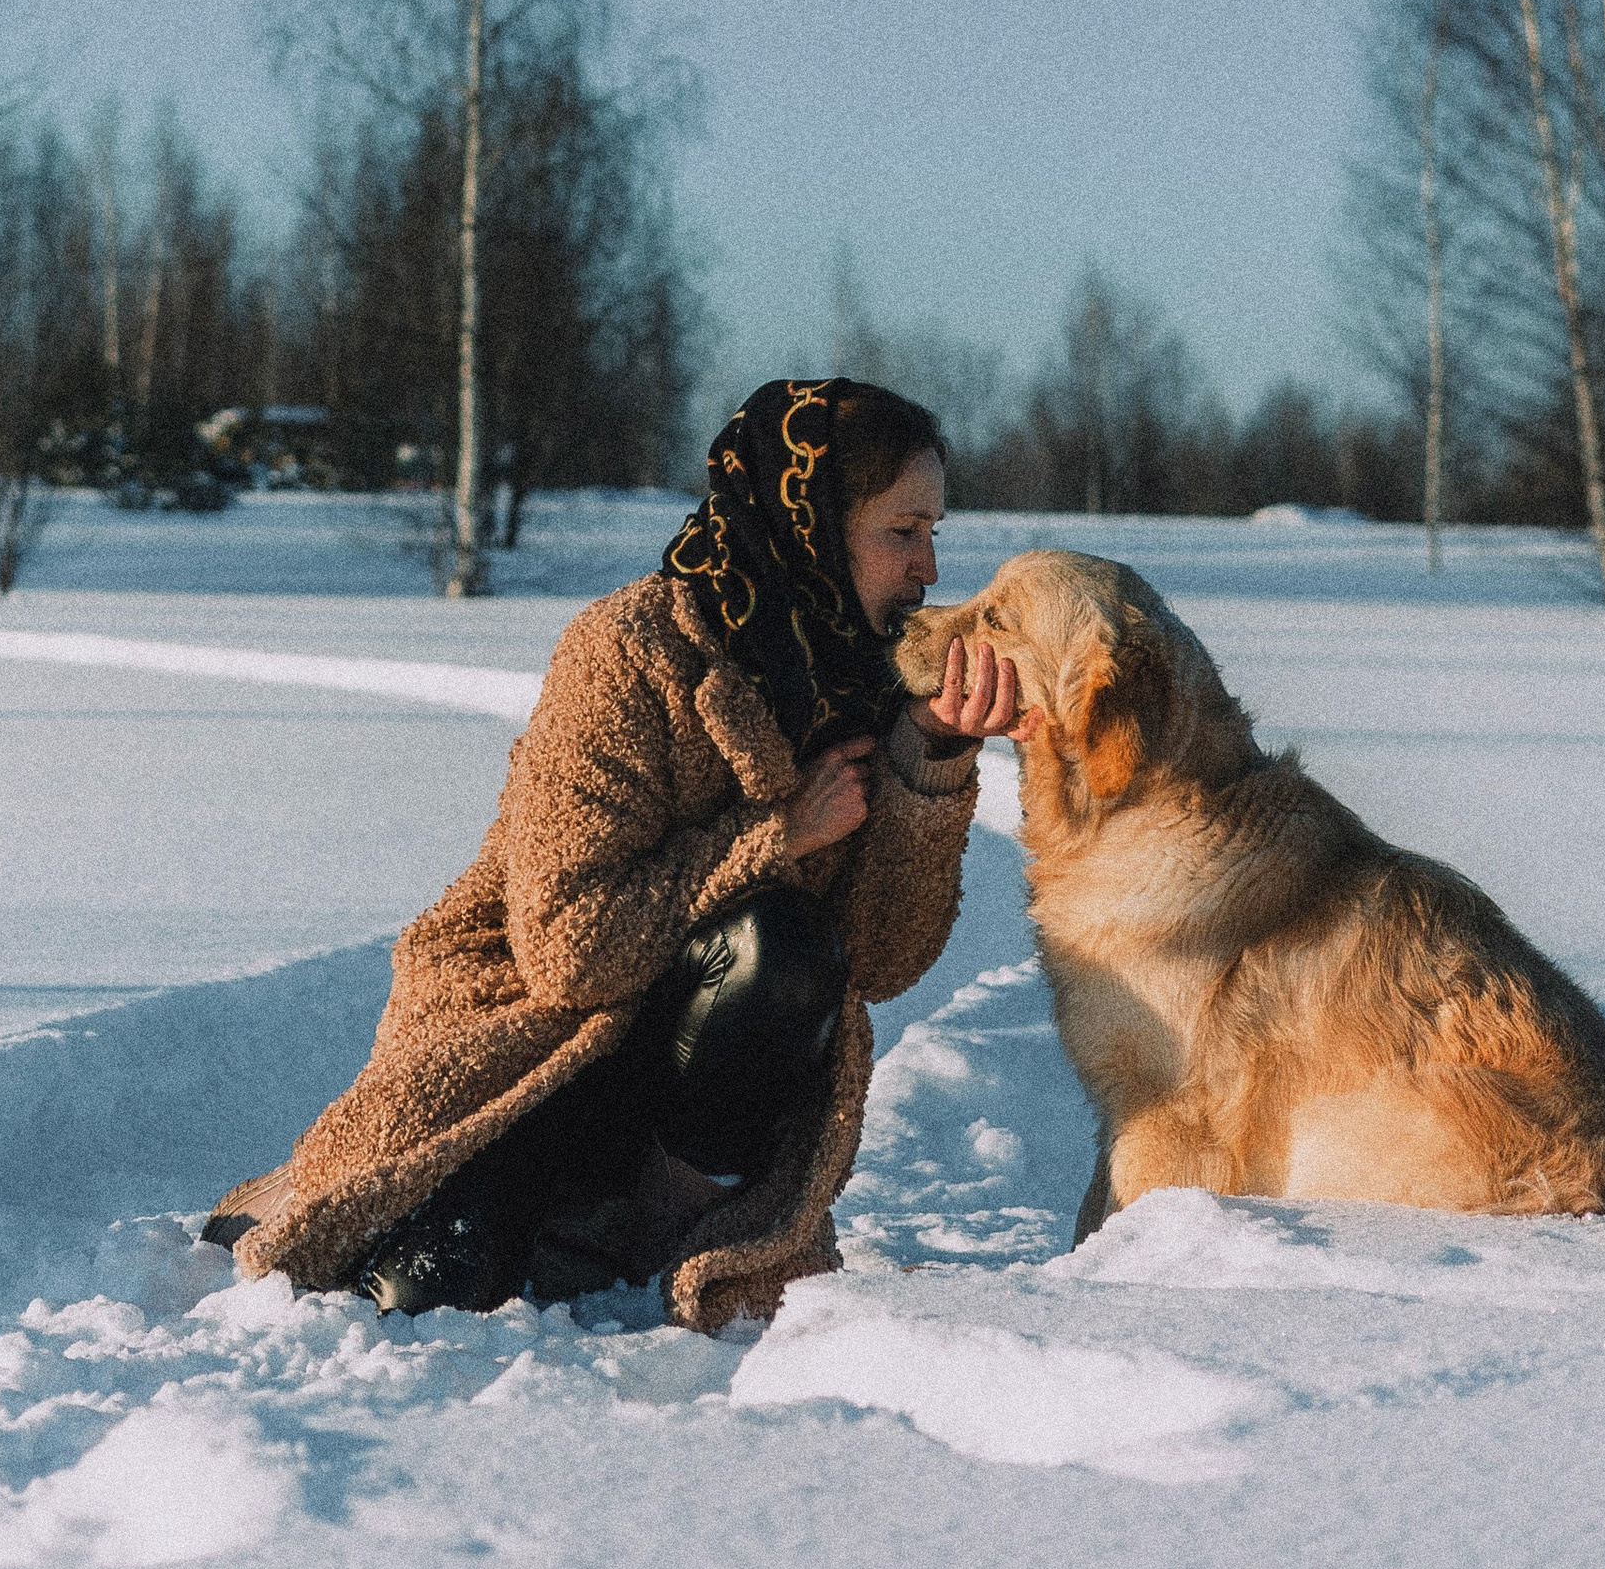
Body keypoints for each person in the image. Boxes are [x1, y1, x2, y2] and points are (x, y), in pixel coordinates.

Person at [203, 376, 1020, 1334]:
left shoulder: (863, 683)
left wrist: (929, 763)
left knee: (779, 946)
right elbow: (564, 952)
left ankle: (651, 1217)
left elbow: (879, 964)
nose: (929, 568)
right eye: (901, 532)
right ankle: (381, 1192)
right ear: (810, 522)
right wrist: (775, 836)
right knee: (421, 1297)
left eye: (935, 532)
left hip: (676, 1087)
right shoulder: (630, 653)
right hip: (531, 1049)